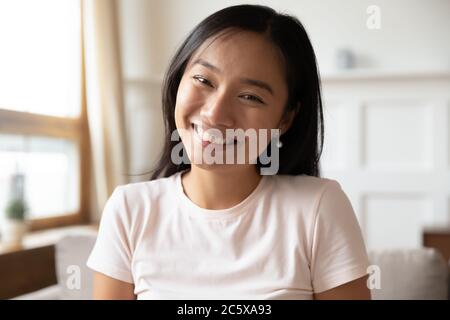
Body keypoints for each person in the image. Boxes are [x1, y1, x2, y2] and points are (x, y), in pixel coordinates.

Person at [87, 4, 370, 300]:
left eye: (250, 96)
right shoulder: (129, 210)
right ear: (178, 80)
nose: (215, 113)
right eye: (204, 80)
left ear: (285, 118)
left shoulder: (318, 208)